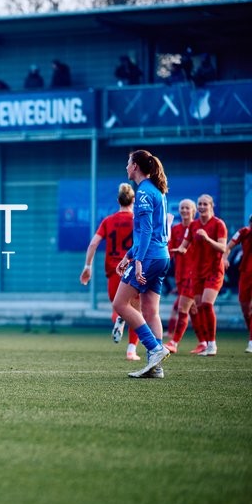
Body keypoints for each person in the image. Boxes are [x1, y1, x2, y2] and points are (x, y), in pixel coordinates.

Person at [113, 149, 172, 379]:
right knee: (150, 311)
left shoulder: (145, 192)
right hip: (161, 256)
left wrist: (137, 262)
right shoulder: (156, 190)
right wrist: (129, 255)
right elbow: (147, 232)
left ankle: (155, 349)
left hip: (149, 257)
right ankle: (155, 367)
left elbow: (147, 231)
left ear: (135, 166)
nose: (126, 167)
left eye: (128, 163)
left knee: (121, 303)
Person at [79, 183, 142, 360]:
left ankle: (119, 320)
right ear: (134, 200)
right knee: (136, 311)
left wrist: (87, 266)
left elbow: (93, 244)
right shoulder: (137, 220)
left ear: (118, 200)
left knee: (119, 306)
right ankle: (131, 350)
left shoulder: (108, 221)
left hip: (114, 271)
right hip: (133, 268)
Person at [173, 194, 227, 356]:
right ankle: (206, 343)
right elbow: (184, 246)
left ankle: (212, 344)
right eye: (200, 204)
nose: (202, 207)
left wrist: (207, 239)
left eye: (205, 204)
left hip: (213, 271)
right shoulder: (194, 225)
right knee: (199, 308)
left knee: (206, 304)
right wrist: (177, 251)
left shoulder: (218, 224)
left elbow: (223, 248)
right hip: (197, 273)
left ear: (211, 206)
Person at [163, 199, 198, 353]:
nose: (184, 210)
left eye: (187, 208)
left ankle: (174, 342)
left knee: (182, 307)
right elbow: (169, 252)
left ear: (193, 211)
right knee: (193, 309)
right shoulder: (176, 229)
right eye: (182, 208)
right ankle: (205, 342)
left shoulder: (197, 228)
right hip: (180, 275)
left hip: (195, 275)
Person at [224, 214, 252, 353]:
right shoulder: (243, 232)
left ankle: (251, 342)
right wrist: (224, 258)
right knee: (246, 309)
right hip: (246, 274)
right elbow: (228, 246)